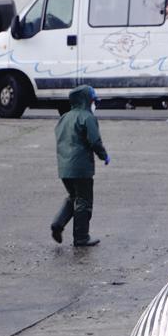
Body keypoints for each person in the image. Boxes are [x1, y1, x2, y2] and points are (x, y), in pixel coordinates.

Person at [51, 85, 110, 248]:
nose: (94, 105)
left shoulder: (64, 118)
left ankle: (58, 223)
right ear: (87, 101)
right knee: (84, 201)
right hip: (81, 168)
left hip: (64, 168)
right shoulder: (87, 117)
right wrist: (104, 156)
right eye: (93, 101)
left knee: (73, 197)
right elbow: (95, 141)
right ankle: (81, 238)